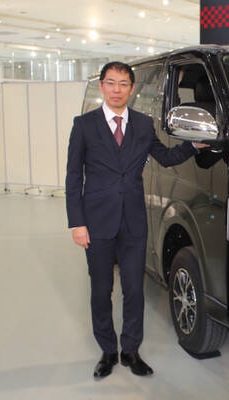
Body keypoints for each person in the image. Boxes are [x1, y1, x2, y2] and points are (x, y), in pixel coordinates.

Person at [65, 61, 208, 379]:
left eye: (123, 84)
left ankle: (131, 351)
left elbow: (165, 157)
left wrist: (193, 146)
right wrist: (77, 223)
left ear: (132, 89)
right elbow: (73, 177)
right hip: (96, 222)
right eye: (111, 83)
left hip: (133, 222)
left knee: (134, 290)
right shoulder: (84, 125)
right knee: (101, 290)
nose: (116, 90)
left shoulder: (143, 124)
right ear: (102, 86)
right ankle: (107, 351)